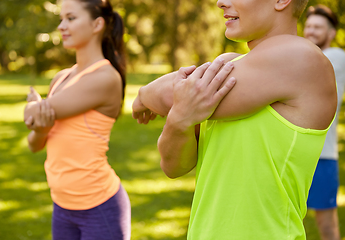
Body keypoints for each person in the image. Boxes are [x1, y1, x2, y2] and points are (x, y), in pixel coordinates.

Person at [132, 0, 338, 239]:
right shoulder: (233, 65)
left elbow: (171, 93)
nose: (221, 2)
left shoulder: (301, 58)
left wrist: (144, 94)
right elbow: (173, 165)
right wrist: (179, 120)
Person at [23, 0, 130, 239]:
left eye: (71, 18)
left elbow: (31, 114)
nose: (61, 26)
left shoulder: (105, 78)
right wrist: (41, 128)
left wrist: (34, 106)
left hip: (99, 207)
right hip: (62, 206)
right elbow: (34, 142)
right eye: (61, 19)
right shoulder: (61, 78)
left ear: (97, 24)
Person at [304, 5, 345, 240]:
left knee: (327, 225)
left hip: (323, 155)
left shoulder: (336, 56)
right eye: (308, 26)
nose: (310, 31)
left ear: (331, 33)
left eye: (318, 27)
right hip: (296, 151)